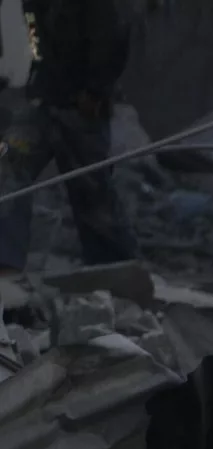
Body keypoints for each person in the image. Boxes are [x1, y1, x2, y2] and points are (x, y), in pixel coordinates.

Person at [0, 0, 141, 273]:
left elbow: (114, 38)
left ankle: (117, 271)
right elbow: (33, 33)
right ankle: (4, 263)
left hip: (82, 106)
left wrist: (95, 91)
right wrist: (37, 71)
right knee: (8, 160)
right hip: (45, 99)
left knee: (91, 190)